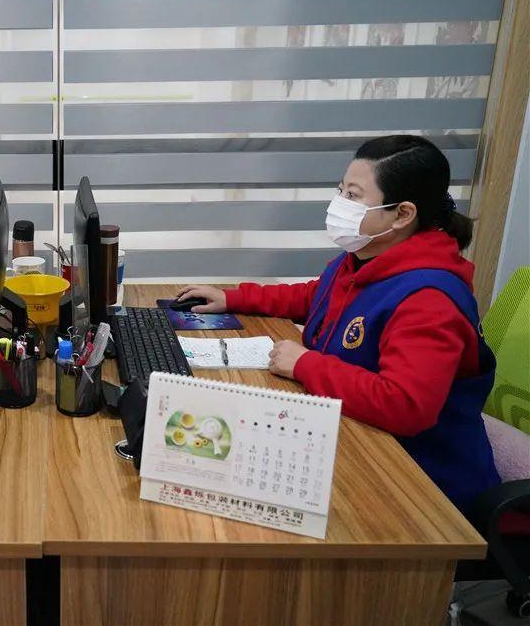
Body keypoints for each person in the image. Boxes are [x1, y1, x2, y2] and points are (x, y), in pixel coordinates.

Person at [176, 135, 500, 514]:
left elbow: (405, 405)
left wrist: (305, 364)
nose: (339, 204)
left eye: (353, 195)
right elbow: (316, 297)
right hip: (352, 441)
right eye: (341, 190)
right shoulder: (367, 258)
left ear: (402, 214)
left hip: (420, 488)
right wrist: (233, 298)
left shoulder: (429, 299)